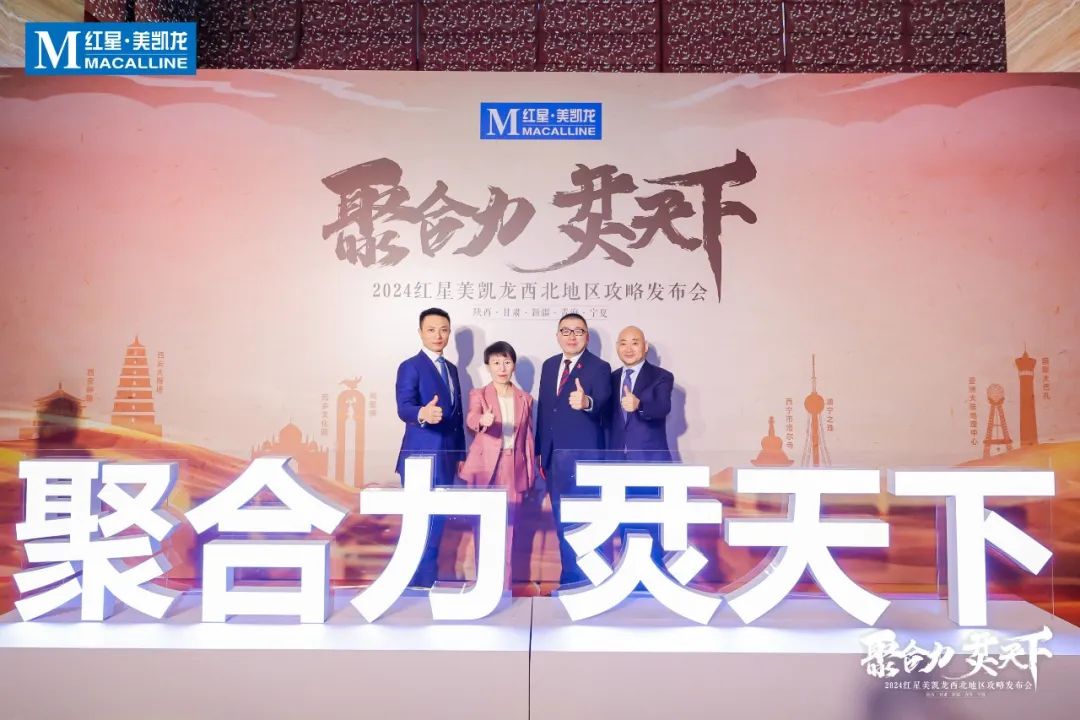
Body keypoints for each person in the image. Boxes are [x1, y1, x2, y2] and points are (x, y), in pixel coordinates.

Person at [535, 312, 612, 585]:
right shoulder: (549, 365)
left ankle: (590, 581)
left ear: (587, 337)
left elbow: (604, 404)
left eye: (578, 331)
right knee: (562, 521)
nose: (572, 336)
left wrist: (587, 402)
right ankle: (569, 578)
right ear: (557, 336)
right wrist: (540, 452)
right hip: (554, 459)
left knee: (586, 522)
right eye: (566, 331)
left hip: (584, 460)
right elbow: (545, 412)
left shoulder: (599, 367)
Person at [394, 307, 465, 587]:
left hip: (446, 458)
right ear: (420, 332)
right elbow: (404, 407)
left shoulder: (452, 370)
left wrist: (460, 454)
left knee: (437, 523)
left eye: (444, 330)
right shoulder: (410, 366)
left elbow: (457, 416)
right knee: (417, 524)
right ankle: (413, 584)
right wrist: (422, 413)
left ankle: (427, 582)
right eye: (432, 330)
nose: (438, 335)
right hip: (419, 460)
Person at [459, 341, 535, 590]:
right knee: (483, 526)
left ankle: (503, 587)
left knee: (508, 527)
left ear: (513, 365)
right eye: (496, 362)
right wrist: (483, 419)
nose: (502, 368)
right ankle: (484, 586)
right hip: (484, 468)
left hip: (513, 466)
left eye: (507, 362)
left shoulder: (525, 399)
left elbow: (528, 439)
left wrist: (530, 474)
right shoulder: (479, 394)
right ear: (488, 366)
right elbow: (472, 418)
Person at [608, 325, 675, 570]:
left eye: (635, 342)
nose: (629, 348)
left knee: (651, 521)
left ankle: (653, 576)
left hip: (649, 462)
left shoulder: (661, 376)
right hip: (617, 464)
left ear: (645, 347)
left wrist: (640, 404)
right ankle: (627, 574)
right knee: (624, 522)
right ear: (617, 347)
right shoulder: (611, 377)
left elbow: (662, 408)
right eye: (623, 343)